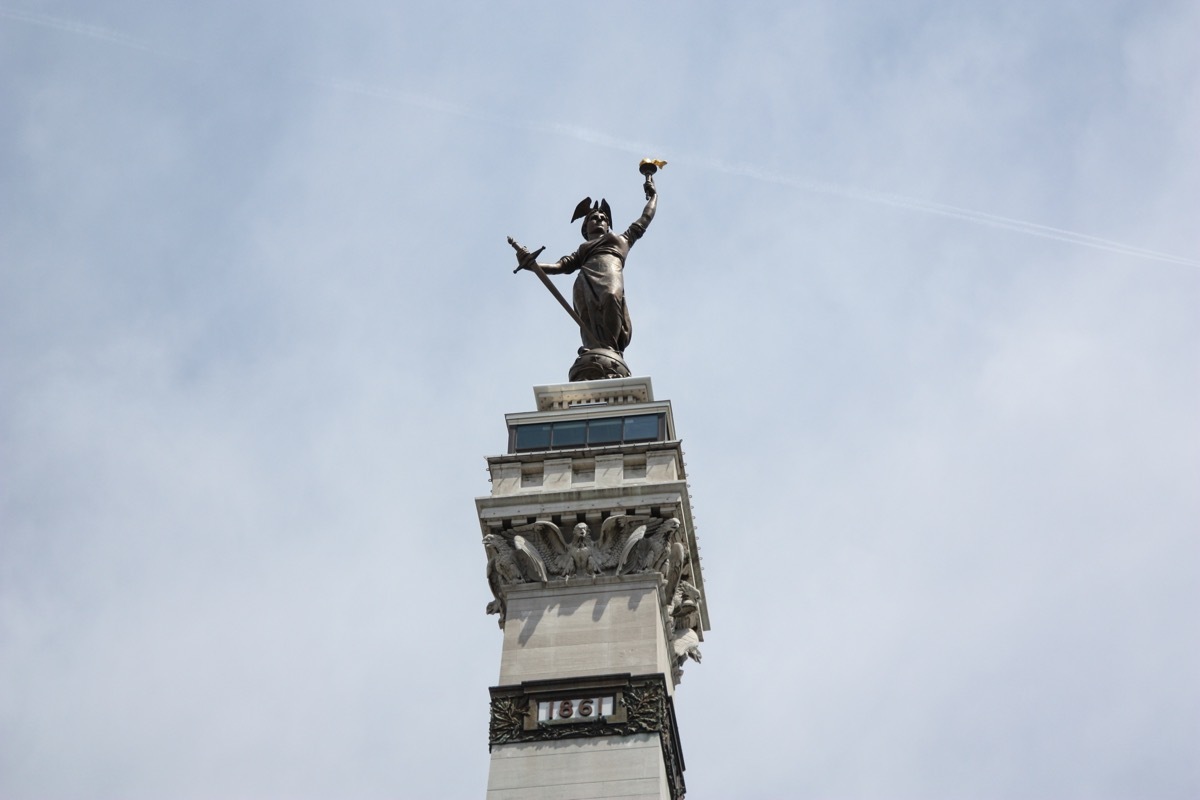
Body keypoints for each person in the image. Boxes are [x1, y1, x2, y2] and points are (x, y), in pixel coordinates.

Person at [515, 177, 657, 356]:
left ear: (608, 226)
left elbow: (645, 217)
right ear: (585, 227)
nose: (598, 220)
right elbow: (560, 266)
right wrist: (531, 264)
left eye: (603, 218)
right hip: (584, 281)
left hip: (610, 274)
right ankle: (593, 350)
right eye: (593, 218)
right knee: (587, 316)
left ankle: (611, 349)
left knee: (612, 297)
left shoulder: (623, 240)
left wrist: (653, 196)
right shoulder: (582, 250)